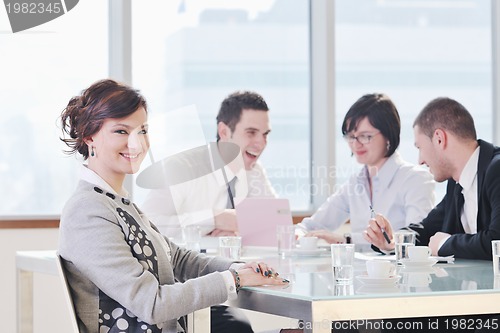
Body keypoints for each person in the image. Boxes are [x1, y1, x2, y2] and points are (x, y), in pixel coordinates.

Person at [57, 79, 288, 333]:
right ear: (90, 136)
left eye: (142, 131)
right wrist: (233, 279)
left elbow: (177, 257)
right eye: (122, 131)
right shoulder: (88, 210)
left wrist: (237, 268)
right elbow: (152, 303)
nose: (137, 143)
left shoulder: (118, 202)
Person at [365, 97, 500, 260]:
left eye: (420, 147)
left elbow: (496, 241)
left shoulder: (496, 169)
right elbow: (426, 229)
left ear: (439, 139)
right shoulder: (456, 183)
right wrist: (393, 241)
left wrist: (445, 244)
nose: (420, 160)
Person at [297, 93, 435, 247]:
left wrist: (346, 240)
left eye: (365, 136)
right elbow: (312, 225)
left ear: (388, 135)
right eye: (351, 136)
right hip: (359, 271)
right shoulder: (356, 182)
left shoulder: (415, 179)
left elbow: (417, 239)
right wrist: (298, 234)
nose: (356, 144)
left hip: (399, 271)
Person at [141, 90, 276, 237]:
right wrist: (215, 219)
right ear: (224, 132)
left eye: (265, 134)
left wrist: (234, 233)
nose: (261, 144)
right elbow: (147, 224)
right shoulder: (180, 169)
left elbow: (274, 222)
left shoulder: (254, 169)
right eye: (251, 133)